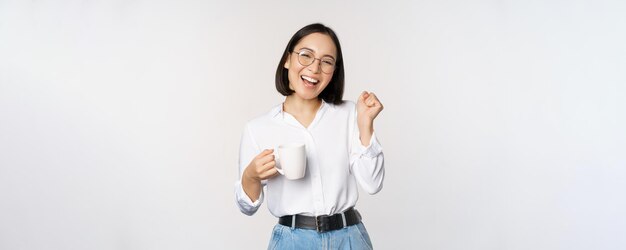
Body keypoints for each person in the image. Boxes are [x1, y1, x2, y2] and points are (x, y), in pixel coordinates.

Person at [234, 23, 385, 250]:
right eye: (306, 56)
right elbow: (248, 207)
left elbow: (373, 184)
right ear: (287, 60)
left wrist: (366, 125)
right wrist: (252, 176)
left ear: (333, 71)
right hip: (292, 241)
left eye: (326, 61)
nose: (315, 68)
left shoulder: (350, 114)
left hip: (350, 238)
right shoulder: (258, 128)